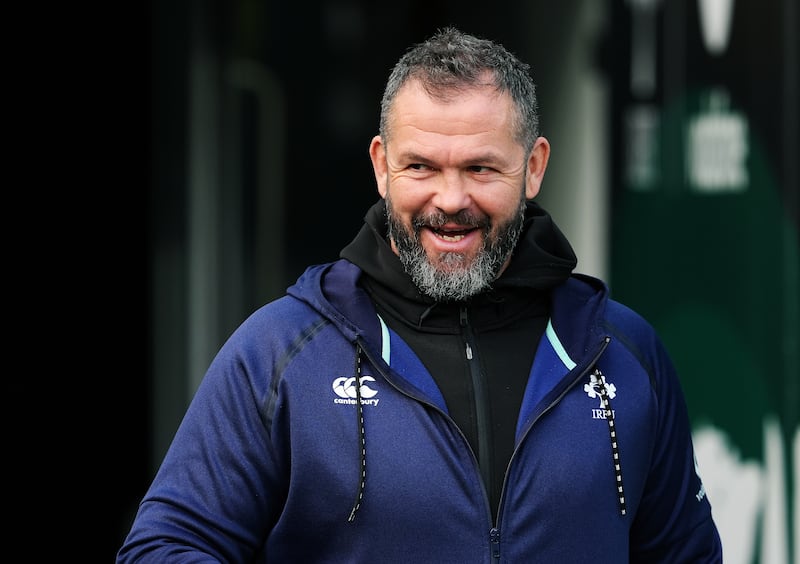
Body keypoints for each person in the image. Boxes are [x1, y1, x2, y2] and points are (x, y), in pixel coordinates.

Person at [118, 27, 723, 562]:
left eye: (481, 168)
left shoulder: (624, 352)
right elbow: (163, 549)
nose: (451, 199)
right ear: (381, 166)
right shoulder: (280, 353)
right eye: (421, 167)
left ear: (534, 167)